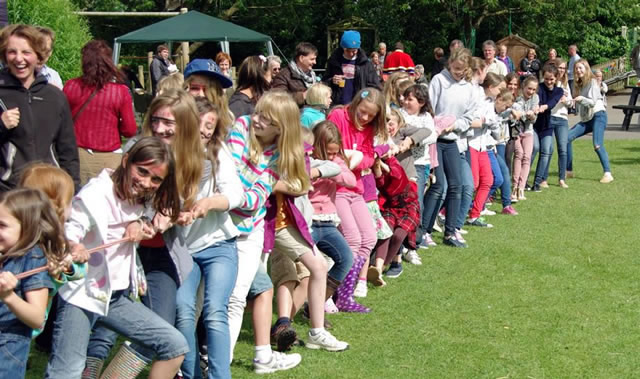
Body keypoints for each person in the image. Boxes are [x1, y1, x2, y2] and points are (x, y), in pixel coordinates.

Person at [45, 137, 188, 379]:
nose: (146, 182)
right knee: (67, 372)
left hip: (116, 297)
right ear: (125, 161)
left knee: (174, 345)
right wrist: (74, 244)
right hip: (83, 294)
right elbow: (73, 224)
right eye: (141, 171)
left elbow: (148, 212)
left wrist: (139, 223)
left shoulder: (141, 199)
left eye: (155, 179)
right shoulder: (96, 193)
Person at [0, 24, 79, 192]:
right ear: (5, 56)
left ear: (38, 56)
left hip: (47, 192)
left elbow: (68, 152)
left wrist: (72, 191)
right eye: (12, 52)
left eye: (26, 52)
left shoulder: (55, 96)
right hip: (7, 193)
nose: (18, 58)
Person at [327, 87, 387, 311]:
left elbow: (369, 157)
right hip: (337, 187)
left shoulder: (369, 128)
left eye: (371, 116)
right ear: (354, 104)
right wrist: (352, 159)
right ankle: (329, 293)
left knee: (369, 238)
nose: (364, 118)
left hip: (356, 188)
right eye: (362, 112)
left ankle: (345, 295)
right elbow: (329, 149)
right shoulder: (338, 116)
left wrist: (359, 159)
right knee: (352, 239)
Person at [0, 188, 67, 377]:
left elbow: (37, 318)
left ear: (27, 227)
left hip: (6, 351)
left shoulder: (34, 258)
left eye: (2, 225)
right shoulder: (5, 254)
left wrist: (8, 297)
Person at [63, 40, 137, 186]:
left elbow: (61, 122)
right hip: (109, 158)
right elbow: (130, 130)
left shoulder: (71, 86)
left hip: (77, 156)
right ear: (109, 62)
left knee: (76, 203)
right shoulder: (120, 92)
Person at [426, 47, 478, 248]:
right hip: (436, 139)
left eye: (462, 70)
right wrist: (438, 126)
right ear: (450, 64)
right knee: (439, 185)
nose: (458, 73)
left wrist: (454, 125)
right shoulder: (439, 80)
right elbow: (429, 108)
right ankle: (425, 230)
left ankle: (450, 232)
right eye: (456, 69)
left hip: (453, 139)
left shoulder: (469, 88)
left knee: (457, 185)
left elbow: (468, 116)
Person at [566, 59, 613, 184]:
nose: (578, 70)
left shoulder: (592, 82)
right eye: (576, 68)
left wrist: (581, 99)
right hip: (587, 119)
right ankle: (568, 170)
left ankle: (608, 173)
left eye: (580, 68)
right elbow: (580, 103)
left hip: (599, 115)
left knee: (597, 145)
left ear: (586, 69)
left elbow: (592, 102)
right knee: (566, 138)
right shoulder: (580, 84)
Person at [324, 30, 381, 105]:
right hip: (338, 105)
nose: (351, 54)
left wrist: (366, 98)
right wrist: (332, 80)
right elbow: (324, 82)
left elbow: (375, 86)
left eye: (354, 51)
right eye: (347, 50)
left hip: (359, 105)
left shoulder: (366, 64)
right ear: (342, 47)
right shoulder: (334, 61)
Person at [531, 64, 564, 192]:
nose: (549, 82)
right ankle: (522, 180)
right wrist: (538, 106)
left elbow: (553, 102)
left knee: (546, 151)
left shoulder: (559, 91)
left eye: (551, 79)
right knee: (534, 148)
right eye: (546, 79)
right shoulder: (538, 88)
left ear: (556, 78)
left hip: (546, 126)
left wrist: (544, 107)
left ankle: (537, 182)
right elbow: (536, 98)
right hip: (534, 125)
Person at [183, 58, 234, 131]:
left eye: (209, 89)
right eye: (195, 88)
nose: (201, 94)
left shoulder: (229, 123)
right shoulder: (175, 121)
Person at [511, 76, 539, 201]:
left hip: (528, 131)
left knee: (527, 157)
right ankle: (514, 186)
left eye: (534, 89)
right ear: (523, 87)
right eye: (529, 89)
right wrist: (527, 114)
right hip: (517, 131)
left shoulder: (535, 98)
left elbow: (534, 119)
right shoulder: (518, 99)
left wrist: (532, 115)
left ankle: (521, 187)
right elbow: (517, 117)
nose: (531, 92)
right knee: (519, 154)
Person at [271, 42, 318, 107]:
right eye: (312, 59)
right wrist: (302, 96)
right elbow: (278, 99)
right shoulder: (283, 76)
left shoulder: (313, 76)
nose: (315, 62)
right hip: (295, 115)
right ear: (301, 58)